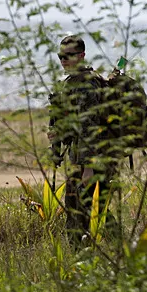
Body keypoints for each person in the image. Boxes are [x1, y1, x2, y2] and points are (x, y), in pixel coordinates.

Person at [48, 35, 115, 245]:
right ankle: (94, 256)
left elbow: (90, 129)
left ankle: (105, 254)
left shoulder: (87, 86)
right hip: (79, 159)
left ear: (82, 56)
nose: (64, 60)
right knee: (82, 213)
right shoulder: (69, 84)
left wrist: (88, 168)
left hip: (95, 161)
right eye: (61, 56)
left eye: (69, 55)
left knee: (88, 214)